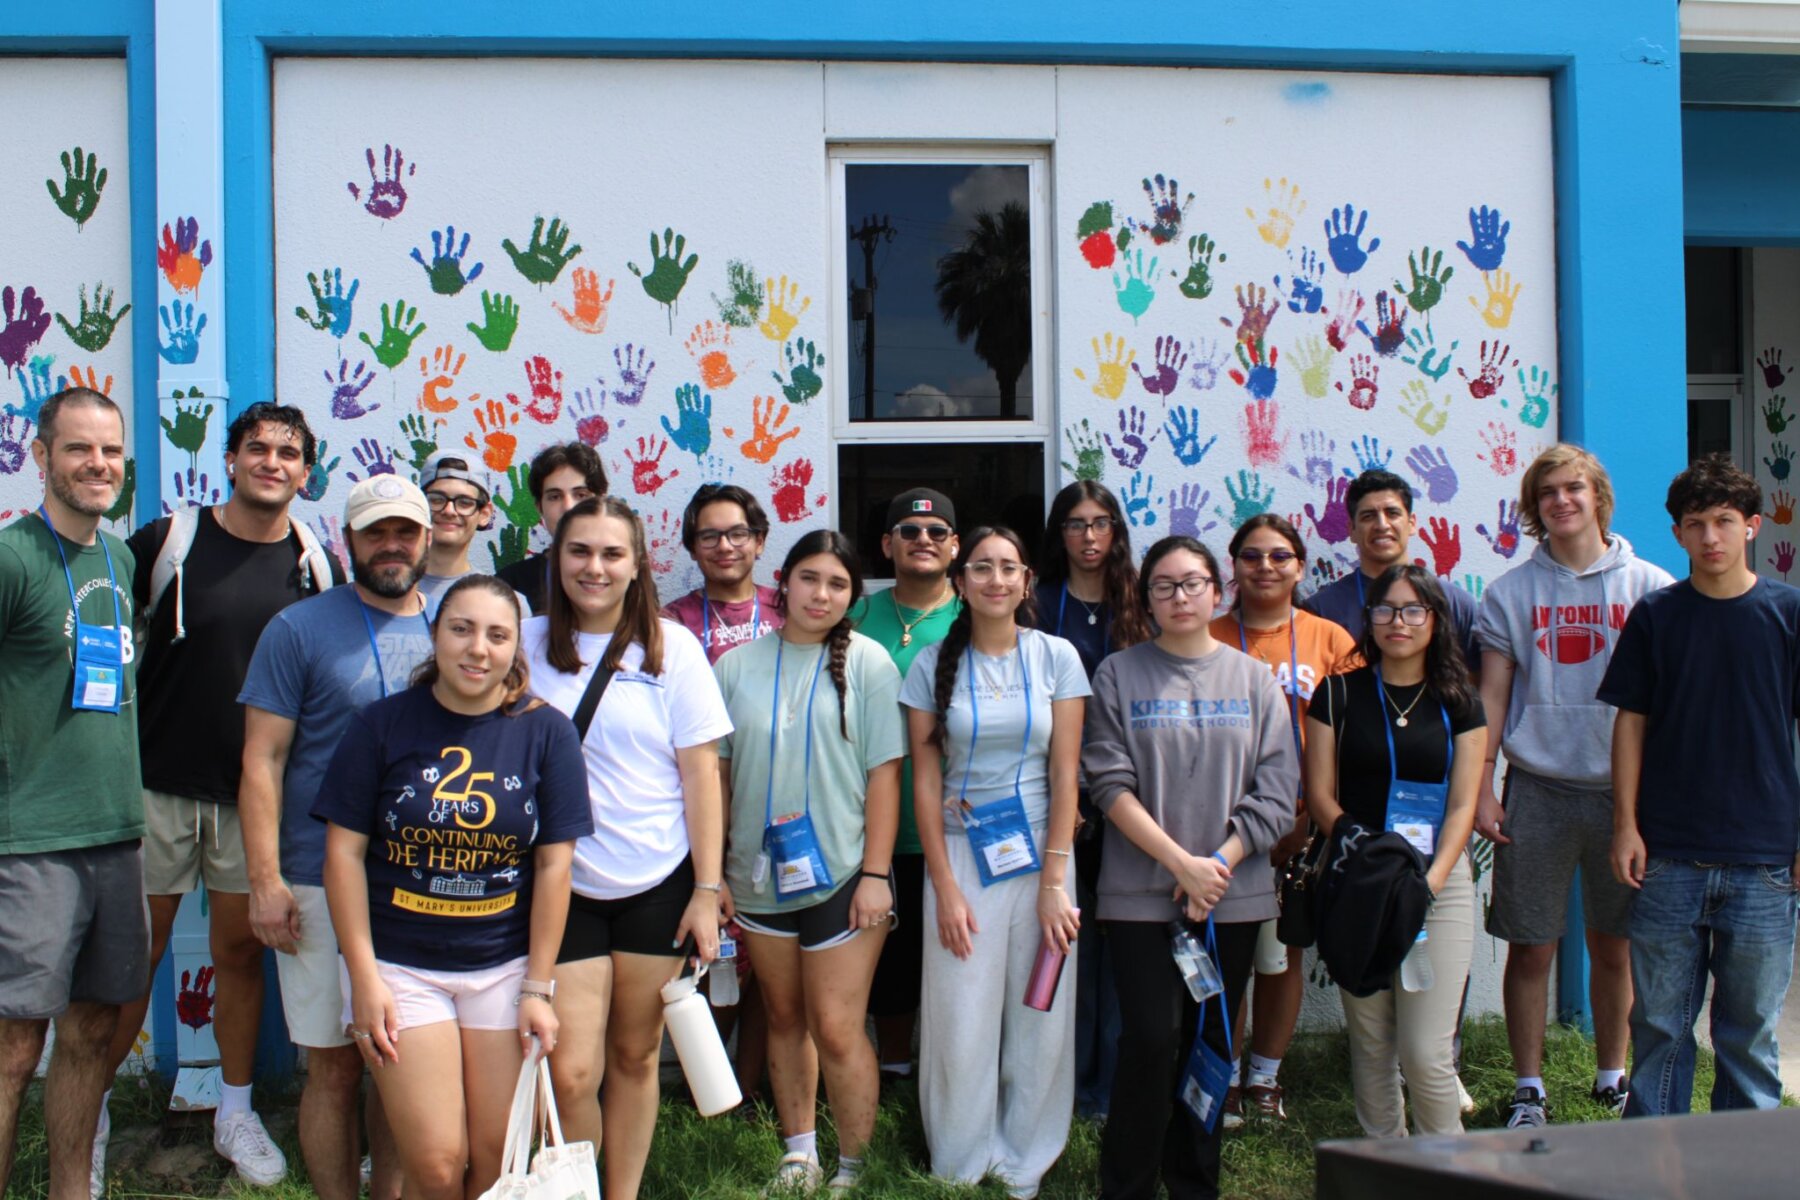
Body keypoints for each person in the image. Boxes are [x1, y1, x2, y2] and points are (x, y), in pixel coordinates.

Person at [102, 403, 346, 1190]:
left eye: (289, 453)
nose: (272, 462)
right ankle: (94, 1107)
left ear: (307, 471)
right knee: (131, 958)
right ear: (231, 460)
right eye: (258, 449)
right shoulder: (168, 542)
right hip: (159, 789)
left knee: (241, 953)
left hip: (256, 797)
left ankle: (233, 1113)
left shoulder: (315, 562)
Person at [317, 575, 591, 1200]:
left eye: (497, 635)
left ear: (516, 646)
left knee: (496, 1164)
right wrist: (363, 978)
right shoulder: (380, 725)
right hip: (400, 972)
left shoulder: (548, 733)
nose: (478, 649)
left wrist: (538, 987)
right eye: (461, 629)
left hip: (502, 968)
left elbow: (554, 866)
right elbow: (343, 855)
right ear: (435, 635)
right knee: (439, 1165)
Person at [524, 496, 731, 1200]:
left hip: (658, 882)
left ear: (639, 564)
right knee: (573, 1069)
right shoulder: (523, 644)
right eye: (580, 551)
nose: (596, 567)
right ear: (557, 558)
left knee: (636, 1055)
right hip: (562, 885)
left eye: (613, 553)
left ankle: (623, 1193)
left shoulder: (674, 650)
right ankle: (577, 1188)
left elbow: (701, 774)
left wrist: (707, 889)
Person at [238, 474, 437, 1200]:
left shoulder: (458, 621)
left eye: (404, 531)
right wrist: (266, 880)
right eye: (375, 532)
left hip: (423, 884)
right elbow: (262, 760)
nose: (392, 546)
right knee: (333, 1063)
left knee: (399, 1060)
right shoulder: (299, 629)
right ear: (347, 541)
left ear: (427, 537)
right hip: (316, 875)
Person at [1082, 536, 1298, 1200]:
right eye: (1165, 586)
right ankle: (1128, 1182)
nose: (1180, 597)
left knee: (1209, 1040)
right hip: (1140, 894)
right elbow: (1108, 783)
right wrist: (1182, 863)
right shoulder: (1119, 674)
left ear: (1218, 590)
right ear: (1145, 598)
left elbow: (1277, 792)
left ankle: (1195, 1179)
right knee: (1150, 1037)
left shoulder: (1256, 680)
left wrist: (1218, 865)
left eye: (1193, 583)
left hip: (1231, 895)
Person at [1473, 445, 1673, 1127]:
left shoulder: (1650, 585)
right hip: (1540, 786)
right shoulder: (1510, 593)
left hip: (1628, 797)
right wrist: (1482, 789)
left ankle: (1611, 1074)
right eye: (1548, 493)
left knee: (1615, 944)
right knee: (1531, 944)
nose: (1562, 501)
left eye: (1574, 489)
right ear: (1535, 509)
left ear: (1598, 498)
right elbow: (1492, 700)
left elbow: (1668, 703)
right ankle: (1528, 1087)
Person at [1599, 454, 1800, 1117]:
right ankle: (1654, 1164)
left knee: (1748, 1034)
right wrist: (1626, 825)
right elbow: (1631, 723)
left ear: (1751, 527)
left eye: (1723, 521)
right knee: (1658, 1026)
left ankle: (1746, 1170)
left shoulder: (1788, 613)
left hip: (1765, 859)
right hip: (1669, 854)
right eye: (1695, 524)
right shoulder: (1657, 616)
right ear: (1679, 534)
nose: (1711, 537)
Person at [715, 531, 905, 1194]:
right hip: (757, 877)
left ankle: (856, 1161)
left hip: (846, 875)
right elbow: (718, 776)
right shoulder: (736, 667)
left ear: (853, 596)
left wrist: (877, 874)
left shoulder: (872, 664)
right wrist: (712, 876)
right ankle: (800, 1153)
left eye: (837, 584)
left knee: (835, 1024)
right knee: (786, 1016)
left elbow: (886, 776)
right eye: (809, 579)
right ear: (783, 583)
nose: (820, 594)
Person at [903, 527, 1088, 1197]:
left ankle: (1025, 1157)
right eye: (981, 568)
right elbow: (925, 781)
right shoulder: (930, 663)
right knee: (960, 1013)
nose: (995, 580)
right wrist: (944, 886)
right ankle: (960, 1156)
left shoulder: (1057, 658)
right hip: (962, 855)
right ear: (960, 581)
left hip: (1044, 857)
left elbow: (1067, 774)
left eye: (1009, 568)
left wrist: (1055, 881)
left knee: (1039, 1012)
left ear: (1027, 580)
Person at [0, 388, 145, 1200]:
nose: (97, 465)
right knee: (14, 1047)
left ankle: (70, 1192)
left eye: (110, 452)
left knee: (92, 1032)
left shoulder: (117, 560)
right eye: (79, 450)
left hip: (114, 836)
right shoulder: (13, 557)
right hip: (30, 845)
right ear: (42, 456)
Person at [1305, 565, 1486, 1138]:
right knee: (1373, 1046)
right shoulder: (1337, 692)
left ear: (1435, 620)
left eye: (1413, 610)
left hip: (1438, 884)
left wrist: (1427, 882)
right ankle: (1386, 1169)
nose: (1398, 622)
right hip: (1359, 882)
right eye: (1385, 610)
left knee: (1426, 1053)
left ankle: (1447, 1178)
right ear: (1370, 619)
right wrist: (1360, 850)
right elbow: (1319, 796)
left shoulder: (1459, 701)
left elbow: (1463, 806)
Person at [1211, 515, 1355, 1125]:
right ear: (1233, 566)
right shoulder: (1209, 632)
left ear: (1300, 566)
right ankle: (1224, 1074)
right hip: (1219, 833)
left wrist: (1308, 820)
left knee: (1281, 954)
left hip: (1302, 826)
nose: (1264, 567)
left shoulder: (1331, 640)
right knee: (1227, 961)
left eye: (1278, 556)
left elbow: (1353, 740)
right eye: (1251, 556)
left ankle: (1266, 1076)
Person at [1033, 481, 1150, 1120]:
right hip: (1062, 802)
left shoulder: (1141, 602)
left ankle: (1109, 1089)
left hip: (1133, 798)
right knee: (1070, 943)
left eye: (1101, 522)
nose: (1089, 536)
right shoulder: (1036, 604)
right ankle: (1067, 1087)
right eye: (1075, 524)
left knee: (1121, 945)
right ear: (1060, 534)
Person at [851, 488, 961, 1087]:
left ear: (955, 546)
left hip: (952, 825)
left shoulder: (977, 618)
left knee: (948, 954)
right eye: (910, 531)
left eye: (937, 531)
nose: (924, 540)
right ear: (887, 544)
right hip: (868, 825)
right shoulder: (854, 615)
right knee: (887, 959)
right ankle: (893, 1066)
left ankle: (948, 1072)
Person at [1304, 469, 1482, 674]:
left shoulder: (1457, 605)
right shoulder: (1321, 610)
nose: (1382, 525)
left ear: (1411, 523)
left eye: (1392, 513)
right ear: (1351, 530)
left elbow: (1477, 688)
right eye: (1369, 516)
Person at [663, 483, 783, 664]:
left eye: (738, 534)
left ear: (759, 542)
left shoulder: (787, 609)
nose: (724, 547)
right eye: (709, 536)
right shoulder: (672, 621)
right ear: (693, 549)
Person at [495, 442, 607, 614]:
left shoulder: (621, 576)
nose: (568, 507)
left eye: (581, 495)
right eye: (555, 497)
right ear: (540, 507)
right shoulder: (510, 584)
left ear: (600, 502)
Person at [417, 451, 500, 616]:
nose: (449, 511)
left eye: (464, 503)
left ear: (484, 514)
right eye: (436, 499)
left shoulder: (502, 601)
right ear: (419, 505)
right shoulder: (384, 589)